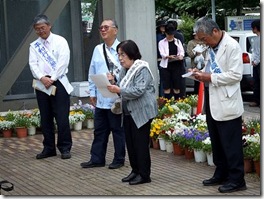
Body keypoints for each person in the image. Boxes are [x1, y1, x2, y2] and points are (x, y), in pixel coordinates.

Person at [191, 17, 246, 193]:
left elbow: (236, 75)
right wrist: (199, 73)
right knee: (217, 142)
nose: (203, 42)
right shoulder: (211, 47)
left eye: (204, 39)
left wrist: (210, 77)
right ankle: (221, 172)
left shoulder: (232, 46)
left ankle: (237, 180)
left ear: (215, 31)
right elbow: (210, 69)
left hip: (227, 101)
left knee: (231, 144)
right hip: (213, 100)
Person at [107, 40, 158, 185]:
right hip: (128, 111)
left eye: (122, 54)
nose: (120, 58)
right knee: (130, 143)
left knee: (140, 145)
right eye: (118, 55)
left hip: (141, 112)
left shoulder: (142, 68)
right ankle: (135, 171)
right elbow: (122, 89)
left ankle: (144, 175)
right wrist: (113, 85)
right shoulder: (124, 69)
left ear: (131, 53)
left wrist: (119, 90)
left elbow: (138, 90)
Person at [80, 19, 126, 169]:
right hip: (101, 97)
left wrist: (116, 79)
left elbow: (129, 72)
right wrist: (92, 92)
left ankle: (119, 159)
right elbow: (92, 72)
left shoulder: (123, 49)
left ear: (115, 30)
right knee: (99, 130)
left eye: (106, 27)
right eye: (101, 28)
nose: (103, 30)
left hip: (116, 97)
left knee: (117, 131)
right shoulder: (98, 49)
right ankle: (97, 158)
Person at [29, 14, 73, 160]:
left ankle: (65, 147)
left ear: (49, 26)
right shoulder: (34, 46)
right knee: (45, 117)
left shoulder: (60, 41)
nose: (41, 31)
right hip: (41, 84)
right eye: (37, 29)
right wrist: (42, 77)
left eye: (42, 28)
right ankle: (48, 148)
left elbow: (63, 61)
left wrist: (52, 78)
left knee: (61, 117)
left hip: (58, 82)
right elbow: (32, 64)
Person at [158, 22, 185, 100]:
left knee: (177, 86)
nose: (170, 36)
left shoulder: (177, 41)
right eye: (169, 34)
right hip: (166, 66)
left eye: (172, 34)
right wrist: (167, 56)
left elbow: (181, 51)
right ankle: (168, 102)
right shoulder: (161, 42)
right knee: (167, 86)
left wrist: (180, 56)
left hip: (176, 65)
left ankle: (177, 101)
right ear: (166, 33)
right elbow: (162, 53)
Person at [249, 19, 260, 107]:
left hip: (259, 63)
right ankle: (256, 100)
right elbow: (255, 52)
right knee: (256, 82)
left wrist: (256, 61)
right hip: (256, 63)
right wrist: (253, 60)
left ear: (255, 28)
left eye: (252, 28)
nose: (252, 29)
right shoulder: (256, 38)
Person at [156, 20, 166, 97]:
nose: (163, 28)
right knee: (162, 80)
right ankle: (162, 96)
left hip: (165, 59)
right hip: (160, 59)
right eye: (162, 26)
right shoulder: (158, 36)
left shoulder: (164, 36)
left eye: (164, 26)